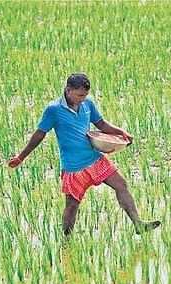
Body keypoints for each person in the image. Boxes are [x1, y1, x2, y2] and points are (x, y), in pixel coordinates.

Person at [8, 73, 161, 236]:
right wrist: (21, 157)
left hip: (95, 158)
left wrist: (121, 132)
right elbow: (39, 135)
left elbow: (101, 124)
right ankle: (66, 241)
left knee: (121, 184)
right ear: (68, 90)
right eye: (80, 95)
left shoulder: (87, 104)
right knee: (72, 206)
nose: (83, 99)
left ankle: (137, 223)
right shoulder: (53, 110)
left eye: (85, 95)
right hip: (74, 167)